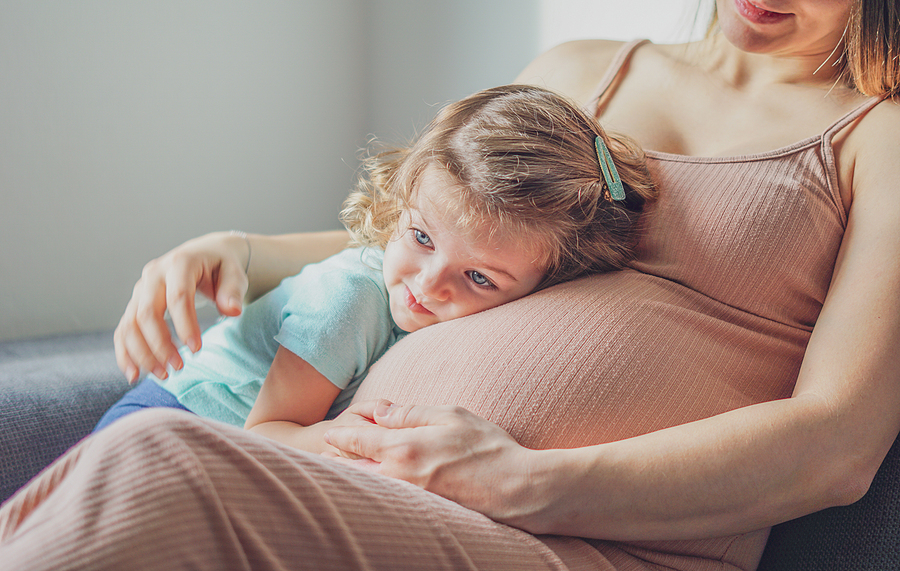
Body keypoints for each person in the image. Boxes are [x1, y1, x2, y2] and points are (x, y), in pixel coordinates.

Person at [2, 1, 899, 570]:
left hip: (587, 540)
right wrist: (243, 249)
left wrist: (530, 481)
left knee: (160, 463)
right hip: (393, 487)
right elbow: (427, 229)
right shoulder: (585, 69)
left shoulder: (878, 137)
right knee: (134, 459)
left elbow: (838, 442)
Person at [92, 84, 657, 450]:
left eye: (478, 277)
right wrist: (355, 440)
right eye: (419, 237)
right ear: (400, 201)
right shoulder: (351, 297)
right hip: (174, 425)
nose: (426, 285)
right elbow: (269, 430)